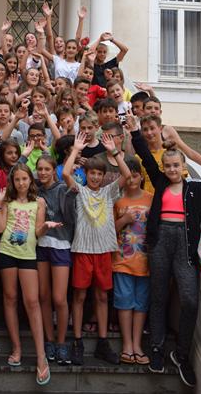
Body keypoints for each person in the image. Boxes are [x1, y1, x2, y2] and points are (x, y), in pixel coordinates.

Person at [127, 113, 201, 388]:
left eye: (176, 165)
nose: (171, 169)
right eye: (167, 165)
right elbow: (144, 155)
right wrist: (134, 132)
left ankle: (181, 354)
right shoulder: (161, 182)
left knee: (190, 300)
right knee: (158, 296)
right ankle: (155, 348)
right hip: (161, 243)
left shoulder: (197, 189)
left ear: (184, 166)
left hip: (185, 246)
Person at [63, 132, 131, 366]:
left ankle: (102, 342)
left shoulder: (108, 192)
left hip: (103, 251)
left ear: (103, 177)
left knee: (102, 296)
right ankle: (78, 341)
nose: (94, 177)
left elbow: (127, 174)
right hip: (82, 250)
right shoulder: (79, 191)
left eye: (99, 174)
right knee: (80, 296)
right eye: (91, 173)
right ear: (87, 174)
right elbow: (64, 173)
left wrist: (114, 151)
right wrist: (75, 149)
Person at [0, 164, 62, 386]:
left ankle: (41, 356)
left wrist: (47, 227)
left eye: (25, 179)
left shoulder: (39, 202)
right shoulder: (6, 201)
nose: (21, 183)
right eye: (17, 180)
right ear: (12, 182)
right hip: (7, 252)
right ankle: (16, 347)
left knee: (32, 302)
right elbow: (0, 228)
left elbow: (37, 230)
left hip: (28, 254)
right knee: (10, 298)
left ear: (30, 181)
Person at [35, 155, 76, 365]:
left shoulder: (61, 189)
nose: (42, 173)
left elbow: (70, 217)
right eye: (39, 169)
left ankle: (61, 342)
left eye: (46, 169)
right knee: (43, 296)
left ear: (53, 170)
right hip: (41, 245)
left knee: (59, 298)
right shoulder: (35, 190)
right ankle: (49, 340)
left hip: (60, 245)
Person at [112, 157, 153, 366]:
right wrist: (124, 220)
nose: (131, 180)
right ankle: (127, 344)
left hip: (145, 263)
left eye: (135, 175)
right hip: (122, 261)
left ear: (141, 176)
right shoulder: (118, 202)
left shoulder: (151, 199)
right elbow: (110, 232)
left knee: (141, 305)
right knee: (124, 302)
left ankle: (137, 344)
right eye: (127, 176)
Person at [142, 97, 201, 178]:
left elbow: (189, 152)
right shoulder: (137, 132)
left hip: (168, 175)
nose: (153, 111)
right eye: (149, 108)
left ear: (160, 112)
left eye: (156, 108)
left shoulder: (167, 130)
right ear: (143, 111)